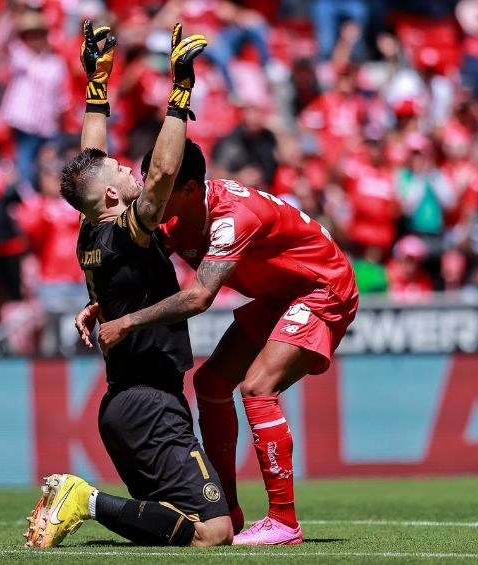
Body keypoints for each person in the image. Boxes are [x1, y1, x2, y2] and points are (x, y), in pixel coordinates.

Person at [24, 21, 233, 549]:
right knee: (214, 532)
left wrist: (97, 83)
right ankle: (84, 499)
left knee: (175, 523)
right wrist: (180, 91)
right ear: (116, 199)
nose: (129, 169)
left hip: (127, 404)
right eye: (123, 170)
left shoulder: (91, 228)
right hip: (148, 403)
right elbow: (163, 174)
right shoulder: (125, 231)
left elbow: (90, 167)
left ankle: (86, 502)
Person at [92, 140, 359, 546]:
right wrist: (98, 304)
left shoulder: (232, 218)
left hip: (321, 288)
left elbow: (199, 297)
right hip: (279, 295)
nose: (148, 192)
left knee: (257, 387)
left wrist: (126, 322)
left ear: (187, 190)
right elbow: (132, 272)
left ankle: (284, 522)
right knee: (211, 384)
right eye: (148, 180)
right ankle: (228, 511)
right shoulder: (176, 220)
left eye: (158, 184)